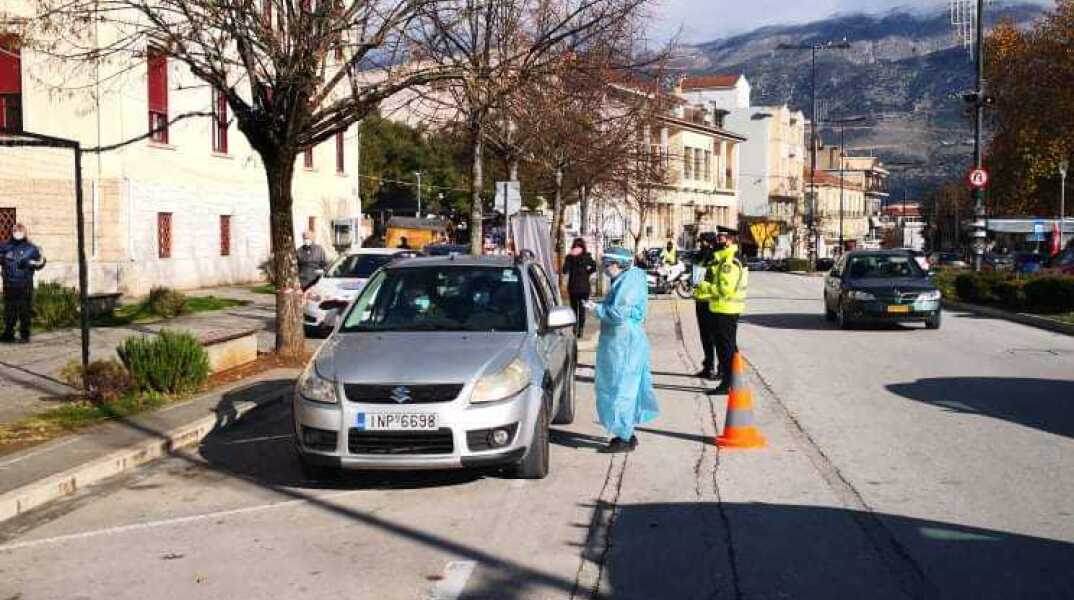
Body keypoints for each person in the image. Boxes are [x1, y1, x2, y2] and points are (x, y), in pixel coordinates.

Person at [584, 247, 660, 453]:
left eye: (607, 264)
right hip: (620, 342)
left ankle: (624, 437)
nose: (604, 268)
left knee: (621, 389)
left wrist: (596, 309)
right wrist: (600, 306)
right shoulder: (625, 280)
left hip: (624, 343)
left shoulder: (629, 282)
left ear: (618, 264)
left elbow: (618, 314)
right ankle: (627, 433)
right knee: (621, 387)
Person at [695, 230, 747, 394]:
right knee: (726, 348)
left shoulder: (729, 262)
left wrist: (705, 287)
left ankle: (728, 384)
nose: (717, 240)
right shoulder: (724, 258)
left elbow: (725, 289)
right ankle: (732, 382)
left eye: (721, 237)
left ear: (730, 240)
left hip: (726, 309)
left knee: (726, 350)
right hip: (722, 309)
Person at [1, 224, 47, 343]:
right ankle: (8, 334)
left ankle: (24, 335)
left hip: (25, 286)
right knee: (9, 312)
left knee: (24, 312)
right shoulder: (5, 246)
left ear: (25, 232)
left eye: (20, 231)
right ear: (12, 232)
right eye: (16, 231)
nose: (18, 233)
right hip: (9, 285)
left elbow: (41, 262)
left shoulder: (31, 248)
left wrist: (31, 263)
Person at [691, 234, 717, 379]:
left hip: (710, 301)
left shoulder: (714, 258)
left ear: (710, 243)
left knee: (713, 337)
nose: (701, 245)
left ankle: (718, 368)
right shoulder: (701, 257)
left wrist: (701, 283)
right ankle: (708, 365)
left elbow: (714, 280)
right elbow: (696, 276)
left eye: (704, 242)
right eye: (700, 242)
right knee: (705, 336)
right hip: (700, 300)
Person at [561, 238, 597, 338]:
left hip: (573, 287)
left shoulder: (570, 257)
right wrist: (587, 273)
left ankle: (575, 328)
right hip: (584, 287)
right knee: (582, 309)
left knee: (574, 309)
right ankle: (580, 329)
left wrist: (569, 259)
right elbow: (594, 267)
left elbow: (564, 270)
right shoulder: (587, 256)